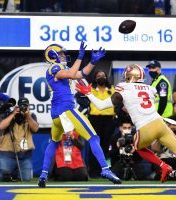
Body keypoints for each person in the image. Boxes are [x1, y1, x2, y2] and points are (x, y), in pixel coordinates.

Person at [76, 63, 176, 191]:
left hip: (145, 127)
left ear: (129, 76)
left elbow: (101, 106)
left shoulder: (123, 87)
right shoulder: (150, 88)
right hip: (160, 123)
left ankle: (163, 166)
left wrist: (88, 93)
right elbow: (138, 104)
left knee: (139, 148)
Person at [38, 42, 121, 188]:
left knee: (54, 142)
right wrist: (80, 57)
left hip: (57, 114)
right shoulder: (54, 67)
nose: (64, 56)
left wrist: (92, 62)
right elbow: (71, 74)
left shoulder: (60, 69)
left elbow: (80, 74)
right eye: (61, 54)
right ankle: (105, 169)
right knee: (93, 137)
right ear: (53, 56)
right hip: (66, 110)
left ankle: (43, 174)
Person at [0, 97, 39, 181]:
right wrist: (13, 114)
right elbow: (1, 126)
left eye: (25, 106)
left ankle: (12, 172)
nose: (23, 108)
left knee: (26, 178)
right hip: (8, 153)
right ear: (17, 106)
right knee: (2, 177)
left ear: (29, 107)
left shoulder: (31, 116)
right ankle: (0, 172)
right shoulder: (10, 114)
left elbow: (35, 129)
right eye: (21, 106)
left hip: (24, 155)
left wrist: (28, 116)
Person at [88, 70, 115, 178]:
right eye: (99, 76)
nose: (101, 77)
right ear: (95, 79)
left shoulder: (111, 89)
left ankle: (105, 171)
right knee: (95, 144)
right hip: (95, 119)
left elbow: (117, 101)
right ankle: (93, 172)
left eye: (103, 76)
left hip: (108, 120)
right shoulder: (91, 89)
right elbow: (82, 100)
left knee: (106, 145)